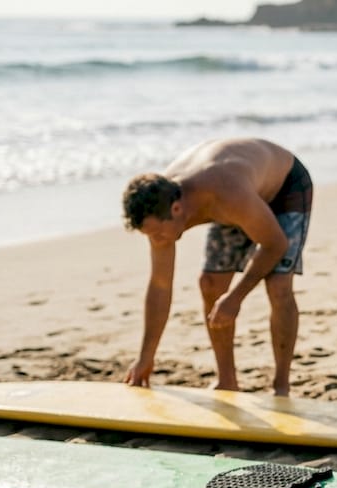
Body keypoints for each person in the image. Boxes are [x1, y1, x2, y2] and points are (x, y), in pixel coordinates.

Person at [120, 138, 311, 395]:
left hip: (284, 186)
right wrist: (146, 357)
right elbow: (160, 285)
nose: (156, 241)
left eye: (157, 234)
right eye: (149, 235)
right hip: (243, 197)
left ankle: (281, 386)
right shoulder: (159, 209)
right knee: (210, 284)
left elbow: (274, 244)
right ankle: (227, 380)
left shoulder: (223, 192)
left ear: (177, 209)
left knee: (278, 286)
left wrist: (236, 297)